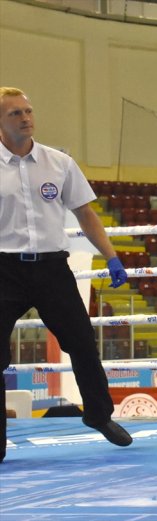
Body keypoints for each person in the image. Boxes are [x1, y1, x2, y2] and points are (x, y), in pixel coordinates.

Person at [0, 87, 133, 464]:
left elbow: (85, 213)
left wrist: (111, 256)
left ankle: (98, 415)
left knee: (82, 342)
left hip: (51, 266)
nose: (26, 118)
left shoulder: (58, 162)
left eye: (28, 110)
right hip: (2, 267)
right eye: (15, 114)